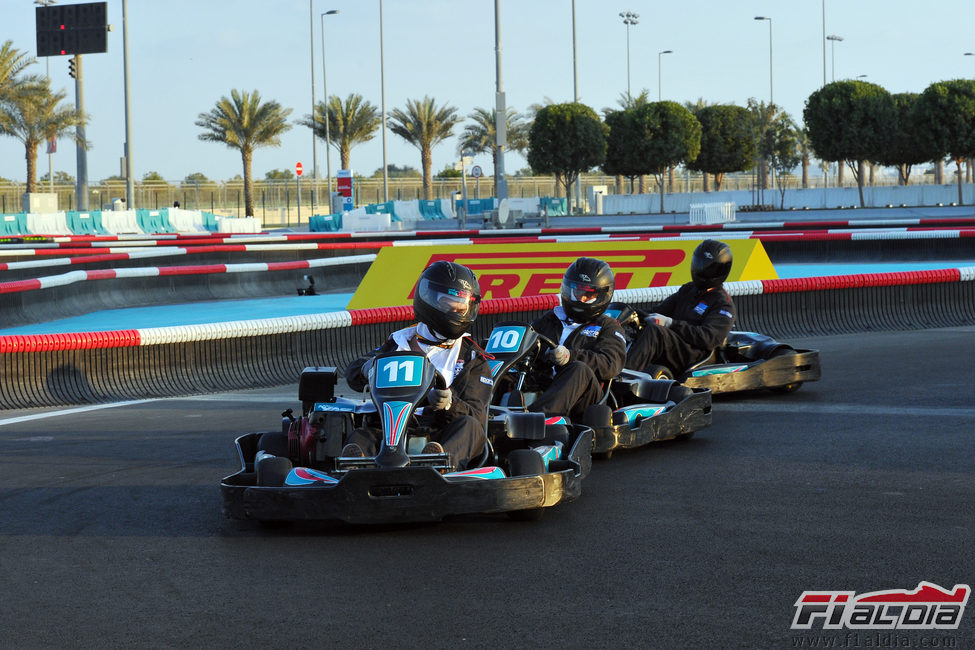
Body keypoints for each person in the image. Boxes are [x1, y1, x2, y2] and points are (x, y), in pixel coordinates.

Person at [342, 261, 492, 470]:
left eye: (462, 306)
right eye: (449, 303)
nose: (457, 312)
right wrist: (368, 368)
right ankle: (355, 469)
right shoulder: (399, 342)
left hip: (440, 431)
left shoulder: (473, 358)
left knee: (470, 426)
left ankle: (438, 463)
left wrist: (449, 404)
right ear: (429, 300)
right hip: (391, 430)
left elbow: (477, 416)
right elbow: (353, 372)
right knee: (362, 434)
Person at [525, 257, 627, 422]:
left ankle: (531, 422)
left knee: (578, 369)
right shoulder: (550, 319)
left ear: (602, 296)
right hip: (545, 386)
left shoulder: (609, 327)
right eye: (577, 291)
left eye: (589, 294)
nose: (581, 299)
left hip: (585, 398)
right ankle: (486, 419)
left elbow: (610, 363)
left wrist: (570, 357)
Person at [625, 239, 736, 376]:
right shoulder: (689, 289)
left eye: (706, 266)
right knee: (632, 326)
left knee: (655, 332)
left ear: (719, 270)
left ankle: (625, 377)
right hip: (675, 345)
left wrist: (670, 324)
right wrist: (629, 313)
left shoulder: (723, 303)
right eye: (698, 263)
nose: (700, 268)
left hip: (695, 354)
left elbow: (708, 338)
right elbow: (658, 311)